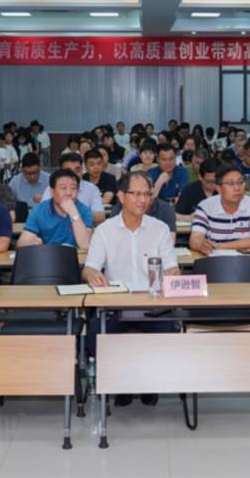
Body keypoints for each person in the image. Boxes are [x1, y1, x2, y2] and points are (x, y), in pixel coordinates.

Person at [83, 172, 180, 406]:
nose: (142, 200)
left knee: (171, 336)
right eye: (136, 194)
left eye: (147, 194)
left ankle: (148, 383)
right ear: (121, 196)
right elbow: (89, 269)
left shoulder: (160, 229)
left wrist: (172, 274)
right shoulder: (104, 230)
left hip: (154, 307)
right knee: (94, 339)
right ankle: (120, 384)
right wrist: (93, 275)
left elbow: (172, 268)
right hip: (115, 307)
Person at [189, 165, 250, 254]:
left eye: (240, 182)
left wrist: (218, 246)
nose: (237, 188)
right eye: (231, 184)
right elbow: (195, 238)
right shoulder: (205, 206)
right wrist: (201, 244)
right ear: (219, 188)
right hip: (215, 260)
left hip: (246, 261)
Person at [20, 169, 94, 249]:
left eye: (73, 188)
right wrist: (29, 242)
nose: (69, 193)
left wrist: (73, 213)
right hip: (48, 255)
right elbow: (22, 243)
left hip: (76, 256)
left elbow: (86, 244)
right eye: (63, 188)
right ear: (52, 191)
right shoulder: (39, 211)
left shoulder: (84, 211)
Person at [44, 153, 106, 220]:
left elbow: (100, 216)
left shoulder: (92, 189)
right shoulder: (52, 188)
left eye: (77, 170)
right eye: (69, 171)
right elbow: (44, 214)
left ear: (82, 170)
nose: (73, 175)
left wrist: (74, 214)